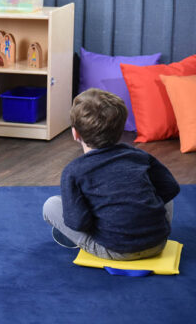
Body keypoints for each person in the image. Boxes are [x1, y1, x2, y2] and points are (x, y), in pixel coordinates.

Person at [42, 88, 180, 260]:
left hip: (115, 251)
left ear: (75, 133)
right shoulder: (139, 155)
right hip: (158, 243)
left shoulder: (73, 171)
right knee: (158, 184)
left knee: (51, 205)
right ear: (120, 129)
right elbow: (170, 188)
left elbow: (78, 223)